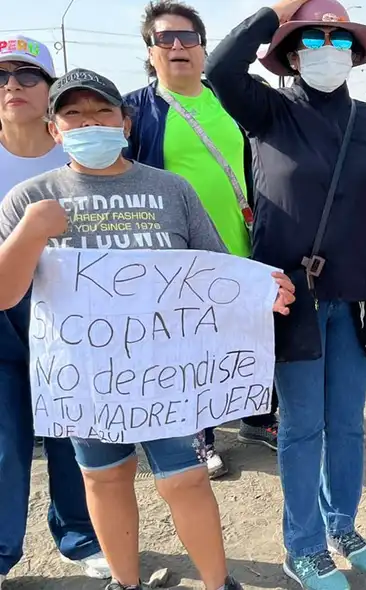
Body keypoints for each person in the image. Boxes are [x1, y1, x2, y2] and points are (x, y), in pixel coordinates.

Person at [0, 67, 294, 590]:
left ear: (126, 122)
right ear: (54, 128)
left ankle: (216, 582)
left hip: (166, 378)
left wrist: (262, 290)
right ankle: (125, 582)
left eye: (102, 112)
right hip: (85, 381)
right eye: (73, 113)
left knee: (185, 479)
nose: (88, 122)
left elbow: (214, 269)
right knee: (104, 477)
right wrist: (31, 231)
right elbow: (5, 294)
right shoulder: (29, 198)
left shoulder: (170, 190)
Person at [204, 1, 366, 587]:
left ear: (354, 55)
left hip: (358, 300)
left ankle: (342, 524)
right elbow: (223, 65)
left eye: (338, 39)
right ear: (290, 54)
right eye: (313, 38)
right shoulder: (268, 110)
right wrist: (278, 9)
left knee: (347, 424)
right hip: (290, 303)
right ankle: (302, 545)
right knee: (301, 427)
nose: (327, 48)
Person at [123, 0, 280, 480]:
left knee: (251, 338)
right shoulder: (134, 110)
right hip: (180, 257)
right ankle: (202, 434)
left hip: (244, 241)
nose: (177, 47)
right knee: (192, 348)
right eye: (164, 39)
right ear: (149, 52)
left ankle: (256, 418)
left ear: (203, 48)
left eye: (187, 38)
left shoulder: (229, 97)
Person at [0, 35, 110, 588]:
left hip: (71, 315)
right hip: (1, 313)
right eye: (1, 79)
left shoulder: (78, 150)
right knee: (4, 440)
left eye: (26, 76)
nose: (13, 87)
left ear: (50, 92)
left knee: (72, 430)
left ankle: (81, 536)